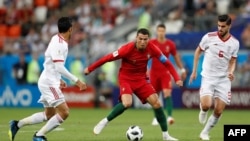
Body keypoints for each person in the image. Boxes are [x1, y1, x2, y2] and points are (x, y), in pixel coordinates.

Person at [84, 28, 183, 141]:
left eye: (145, 39)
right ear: (136, 38)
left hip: (141, 79)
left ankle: (166, 136)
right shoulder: (126, 49)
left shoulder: (152, 48)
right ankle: (105, 121)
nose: (142, 42)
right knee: (127, 103)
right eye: (140, 39)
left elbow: (167, 63)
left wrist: (176, 78)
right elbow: (107, 58)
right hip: (126, 78)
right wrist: (90, 68)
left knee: (157, 103)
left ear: (148, 39)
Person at [8, 17, 87, 141]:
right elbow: (59, 66)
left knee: (49, 114)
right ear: (70, 29)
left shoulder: (56, 39)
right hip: (49, 83)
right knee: (64, 112)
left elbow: (52, 64)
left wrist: (59, 78)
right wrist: (77, 81)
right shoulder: (60, 44)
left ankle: (17, 124)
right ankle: (39, 136)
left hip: (49, 79)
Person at [189, 14, 239, 140]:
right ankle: (203, 109)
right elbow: (198, 51)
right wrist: (194, 71)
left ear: (229, 26)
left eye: (223, 26)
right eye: (218, 25)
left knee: (218, 111)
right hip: (208, 77)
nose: (220, 28)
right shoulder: (208, 37)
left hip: (223, 80)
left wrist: (231, 72)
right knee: (206, 105)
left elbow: (232, 61)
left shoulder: (234, 43)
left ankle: (205, 133)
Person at [149, 24, 187, 126]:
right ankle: (156, 118)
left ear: (165, 32)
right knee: (154, 97)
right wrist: (143, 69)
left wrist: (182, 69)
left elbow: (176, 57)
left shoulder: (170, 44)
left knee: (167, 93)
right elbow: (145, 57)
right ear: (157, 32)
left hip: (165, 73)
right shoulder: (152, 43)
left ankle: (169, 116)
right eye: (159, 31)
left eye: (162, 31)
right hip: (153, 73)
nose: (161, 33)